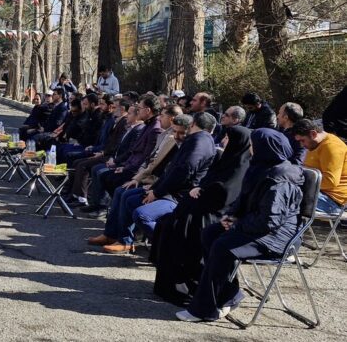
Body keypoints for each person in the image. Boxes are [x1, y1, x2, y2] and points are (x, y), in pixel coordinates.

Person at [177, 129, 303, 322]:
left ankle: (204, 310)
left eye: (253, 144)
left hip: (276, 237)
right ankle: (228, 294)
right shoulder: (260, 167)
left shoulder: (280, 177)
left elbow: (271, 219)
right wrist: (232, 217)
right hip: (256, 226)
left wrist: (237, 225)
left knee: (222, 246)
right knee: (210, 233)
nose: (250, 147)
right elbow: (245, 201)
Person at [152, 126, 252, 305]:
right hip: (205, 208)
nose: (223, 141)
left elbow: (226, 194)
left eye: (228, 138)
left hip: (220, 214)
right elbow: (209, 181)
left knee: (184, 228)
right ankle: (173, 282)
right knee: (170, 224)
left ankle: (187, 282)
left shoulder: (243, 165)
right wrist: (200, 189)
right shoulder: (226, 159)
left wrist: (202, 191)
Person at [88, 113, 189, 252]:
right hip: (152, 181)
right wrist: (137, 178)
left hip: (166, 191)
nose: (177, 135)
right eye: (175, 131)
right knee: (120, 191)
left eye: (181, 133)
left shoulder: (189, 148)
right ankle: (111, 235)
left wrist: (154, 188)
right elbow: (152, 163)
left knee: (128, 196)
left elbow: (174, 176)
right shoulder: (171, 140)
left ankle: (127, 240)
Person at [293, 119, 347, 213]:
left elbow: (330, 181)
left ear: (313, 134)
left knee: (288, 195)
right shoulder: (314, 144)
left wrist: (301, 183)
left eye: (302, 140)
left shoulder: (332, 147)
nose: (301, 145)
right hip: (319, 193)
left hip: (333, 201)